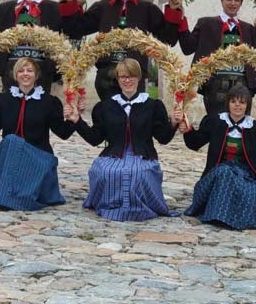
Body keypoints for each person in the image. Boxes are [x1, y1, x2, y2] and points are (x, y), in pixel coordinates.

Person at [0, 57, 81, 211]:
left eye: (29, 70)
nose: (25, 74)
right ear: (15, 75)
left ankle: (14, 193)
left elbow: (63, 133)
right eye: (21, 71)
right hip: (9, 157)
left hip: (37, 158)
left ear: (36, 75)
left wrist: (74, 119)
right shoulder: (3, 100)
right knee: (12, 141)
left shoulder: (49, 102)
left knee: (12, 140)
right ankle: (10, 193)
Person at [75, 58, 180, 221]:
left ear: (138, 78)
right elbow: (95, 138)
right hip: (113, 154)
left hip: (143, 156)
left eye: (131, 76)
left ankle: (138, 206)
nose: (127, 80)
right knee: (104, 171)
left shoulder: (153, 105)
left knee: (137, 173)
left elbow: (163, 138)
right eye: (123, 77)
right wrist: (77, 121)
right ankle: (110, 204)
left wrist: (173, 122)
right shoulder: (105, 107)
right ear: (117, 79)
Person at [62, 0, 183, 99]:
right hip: (106, 79)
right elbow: (74, 30)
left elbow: (169, 38)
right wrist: (70, 3)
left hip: (135, 78)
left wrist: (174, 11)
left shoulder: (147, 9)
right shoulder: (102, 7)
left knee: (136, 120)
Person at [178, 85, 256, 230]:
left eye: (242, 102)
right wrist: (188, 131)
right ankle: (218, 215)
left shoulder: (255, 128)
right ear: (228, 103)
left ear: (247, 105)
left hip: (246, 175)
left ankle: (233, 217)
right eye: (233, 101)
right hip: (217, 173)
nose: (237, 105)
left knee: (248, 189)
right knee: (225, 173)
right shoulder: (215, 122)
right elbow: (195, 143)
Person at [176, 0, 256, 114]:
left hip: (243, 86)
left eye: (237, 0)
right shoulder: (206, 23)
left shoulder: (248, 29)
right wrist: (180, 18)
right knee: (216, 126)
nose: (232, 3)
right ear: (222, 0)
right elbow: (188, 47)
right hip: (214, 86)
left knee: (241, 128)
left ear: (241, 3)